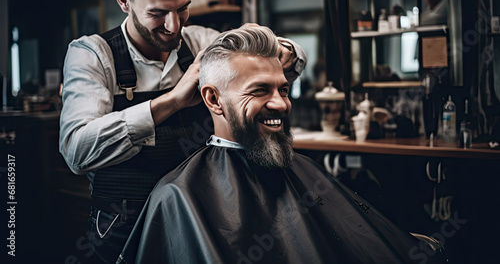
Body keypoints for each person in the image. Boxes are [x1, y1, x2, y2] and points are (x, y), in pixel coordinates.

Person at [58, 0, 306, 263]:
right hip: (121, 229)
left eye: (183, 8)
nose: (174, 26)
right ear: (123, 0)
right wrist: (171, 101)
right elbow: (76, 150)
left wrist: (278, 49)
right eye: (158, 13)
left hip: (200, 222)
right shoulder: (92, 55)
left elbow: (292, 60)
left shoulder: (202, 41)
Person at [117, 26, 444, 264]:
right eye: (260, 90)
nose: (281, 104)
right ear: (213, 99)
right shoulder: (178, 195)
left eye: (283, 90)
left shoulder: (303, 171)